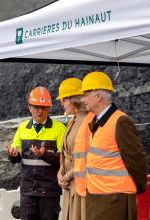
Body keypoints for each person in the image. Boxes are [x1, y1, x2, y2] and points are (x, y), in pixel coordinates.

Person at [79, 72, 147, 220]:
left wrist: (137, 188)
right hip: (99, 196)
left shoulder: (120, 121)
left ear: (98, 96)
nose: (82, 98)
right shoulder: (98, 122)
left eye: (85, 94)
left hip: (114, 199)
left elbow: (137, 159)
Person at [5, 86, 66, 220]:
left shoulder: (60, 129)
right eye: (36, 107)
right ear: (30, 107)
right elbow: (16, 156)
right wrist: (13, 155)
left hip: (49, 191)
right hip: (28, 191)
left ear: (49, 108)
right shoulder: (22, 128)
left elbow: (65, 158)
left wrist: (45, 155)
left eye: (43, 107)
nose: (40, 111)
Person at [56, 78, 93, 220]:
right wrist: (60, 172)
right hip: (70, 183)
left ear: (75, 99)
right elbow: (65, 153)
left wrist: (67, 175)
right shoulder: (73, 120)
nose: (61, 103)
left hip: (81, 183)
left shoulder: (89, 120)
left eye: (64, 99)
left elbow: (88, 155)